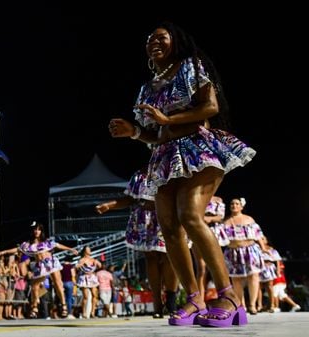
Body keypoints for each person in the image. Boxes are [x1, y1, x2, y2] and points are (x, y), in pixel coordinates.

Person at [108, 22, 256, 327]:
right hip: (165, 156)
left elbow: (210, 107)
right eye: (150, 39)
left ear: (176, 43)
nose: (154, 42)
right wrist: (133, 131)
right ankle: (194, 298)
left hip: (199, 148)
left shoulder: (192, 66)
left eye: (161, 37)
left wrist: (169, 118)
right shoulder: (148, 87)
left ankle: (229, 296)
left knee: (190, 215)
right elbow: (155, 133)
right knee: (170, 228)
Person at [95, 169, 178, 318]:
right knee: (151, 258)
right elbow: (130, 199)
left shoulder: (169, 168)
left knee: (169, 257)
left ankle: (171, 301)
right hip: (144, 219)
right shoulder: (140, 175)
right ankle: (157, 304)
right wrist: (110, 205)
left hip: (165, 215)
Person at [0, 222, 78, 319]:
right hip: (40, 266)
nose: (37, 231)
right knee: (34, 286)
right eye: (35, 229)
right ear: (32, 231)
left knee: (58, 283)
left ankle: (64, 305)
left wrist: (70, 249)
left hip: (51, 263)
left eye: (39, 229)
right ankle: (34, 308)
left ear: (41, 231)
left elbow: (58, 245)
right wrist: (4, 251)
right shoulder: (28, 244)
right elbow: (17, 249)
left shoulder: (46, 242)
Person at [222, 198, 267, 314]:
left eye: (237, 203)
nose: (234, 205)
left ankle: (252, 305)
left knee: (253, 276)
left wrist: (263, 248)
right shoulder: (225, 221)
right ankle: (241, 306)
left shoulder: (248, 219)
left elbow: (258, 234)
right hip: (233, 251)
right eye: (232, 203)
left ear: (241, 207)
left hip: (250, 250)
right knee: (236, 279)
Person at [75, 246, 102, 319]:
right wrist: (80, 264)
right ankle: (83, 312)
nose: (89, 250)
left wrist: (97, 263)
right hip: (84, 278)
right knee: (86, 296)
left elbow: (100, 265)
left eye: (90, 249)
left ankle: (92, 312)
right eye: (88, 249)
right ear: (84, 251)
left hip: (92, 277)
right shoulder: (82, 260)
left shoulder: (93, 259)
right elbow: (76, 267)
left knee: (94, 295)